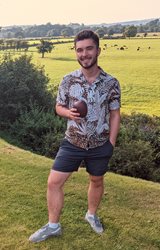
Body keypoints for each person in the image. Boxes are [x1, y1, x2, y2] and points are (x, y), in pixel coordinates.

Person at [29, 29, 121, 243]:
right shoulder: (68, 80)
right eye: (79, 50)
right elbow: (58, 107)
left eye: (89, 48)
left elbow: (115, 113)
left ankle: (91, 215)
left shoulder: (111, 83)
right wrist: (67, 112)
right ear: (75, 52)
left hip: (100, 144)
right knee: (54, 182)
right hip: (73, 141)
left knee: (96, 180)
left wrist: (111, 143)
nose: (84, 54)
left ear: (98, 50)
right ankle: (53, 226)